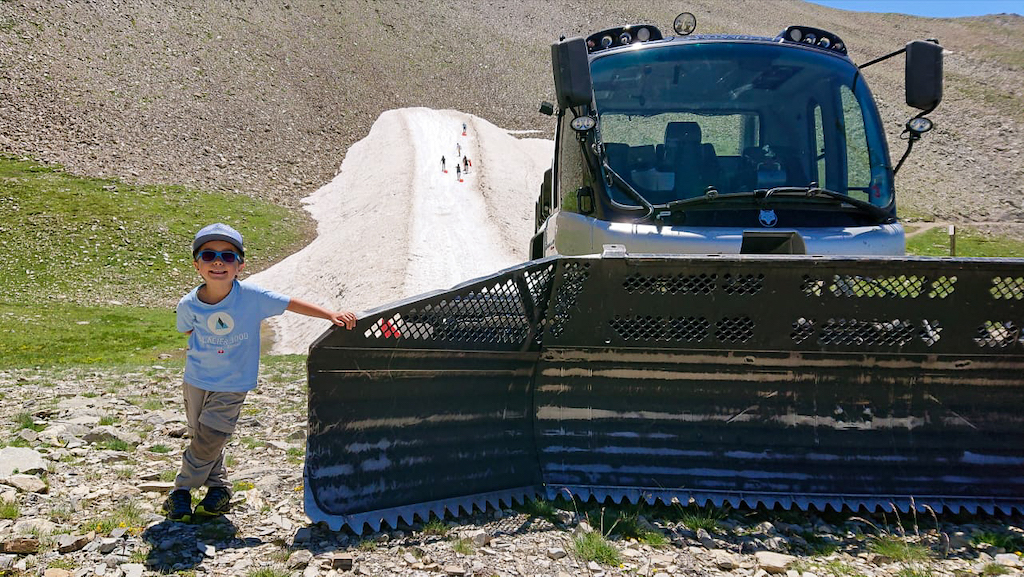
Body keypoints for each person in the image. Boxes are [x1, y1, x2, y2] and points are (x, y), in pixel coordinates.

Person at [164, 223, 357, 522]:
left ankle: (180, 490)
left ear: (240, 265)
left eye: (228, 257)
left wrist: (330, 314)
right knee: (202, 435)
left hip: (233, 382)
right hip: (196, 379)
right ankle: (219, 488)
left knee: (211, 436)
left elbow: (290, 303)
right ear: (196, 264)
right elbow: (188, 329)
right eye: (209, 255)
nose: (218, 262)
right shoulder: (188, 303)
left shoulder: (252, 296)